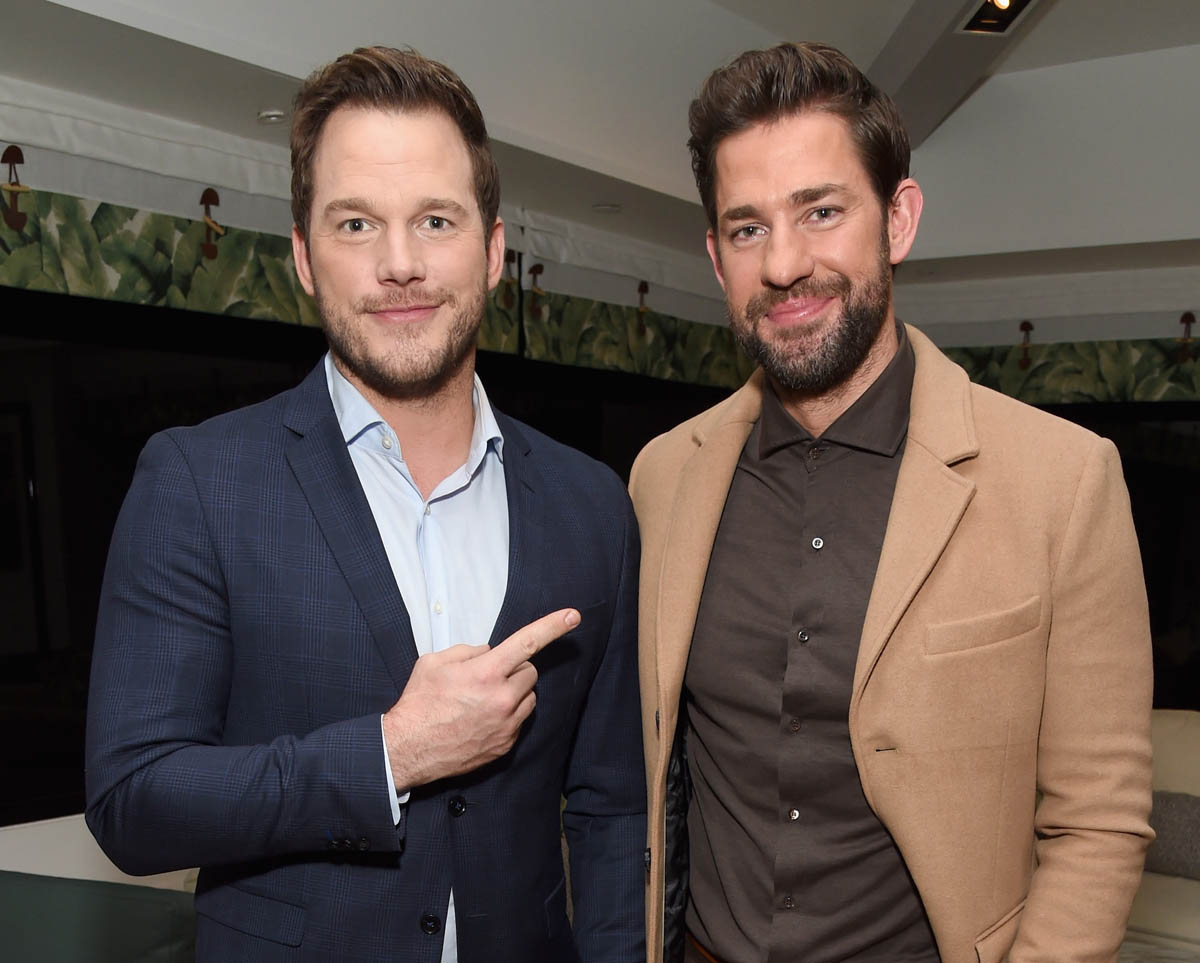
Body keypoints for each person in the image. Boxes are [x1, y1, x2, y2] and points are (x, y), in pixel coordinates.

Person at [85, 45, 645, 963]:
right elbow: (132, 802)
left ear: (494, 251)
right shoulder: (198, 481)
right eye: (355, 223)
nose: (399, 263)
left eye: (435, 219)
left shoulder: (593, 505)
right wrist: (390, 754)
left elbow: (612, 809)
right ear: (304, 257)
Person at [630, 42, 1153, 963]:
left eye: (821, 212)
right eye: (747, 229)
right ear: (715, 257)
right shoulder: (663, 478)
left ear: (898, 219)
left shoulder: (1064, 480)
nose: (784, 264)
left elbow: (1098, 820)